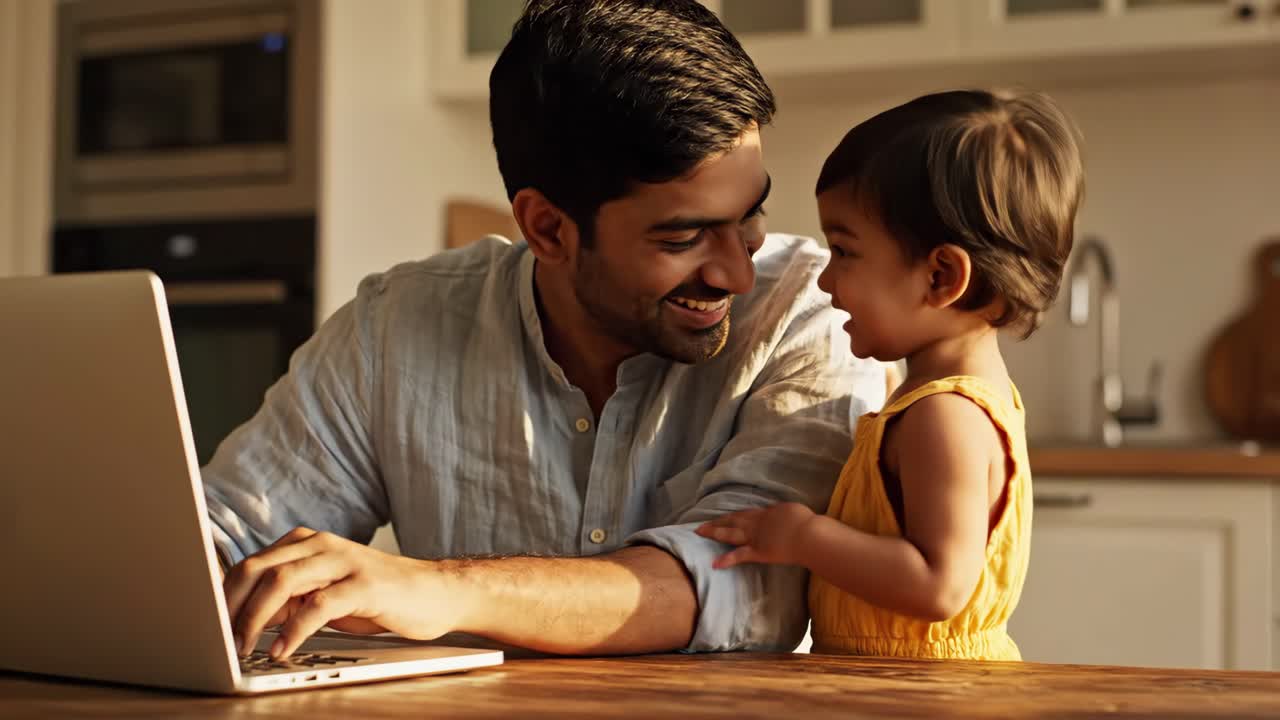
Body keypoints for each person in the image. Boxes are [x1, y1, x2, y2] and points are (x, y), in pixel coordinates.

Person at [205, 0, 885, 661]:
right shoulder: (396, 328)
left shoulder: (809, 309)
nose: (737, 273)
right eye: (683, 238)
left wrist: (444, 591)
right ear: (547, 229)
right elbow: (227, 536)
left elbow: (748, 585)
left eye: (750, 217)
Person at [697, 88, 1084, 660]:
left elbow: (939, 584)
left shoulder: (944, 417)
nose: (826, 282)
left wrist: (805, 537)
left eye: (845, 252)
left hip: (926, 696)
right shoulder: (939, 399)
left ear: (941, 276)